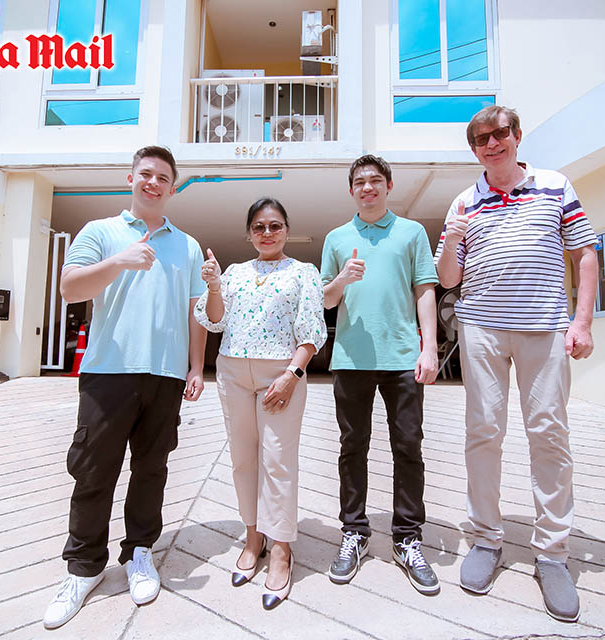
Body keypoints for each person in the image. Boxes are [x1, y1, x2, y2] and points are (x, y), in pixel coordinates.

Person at [434, 105, 598, 622]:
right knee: (483, 432)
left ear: (517, 136)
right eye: (481, 139)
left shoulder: (555, 186)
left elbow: (585, 254)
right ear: (474, 149)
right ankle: (486, 538)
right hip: (482, 328)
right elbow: (448, 279)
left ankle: (552, 553)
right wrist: (453, 237)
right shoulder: (465, 200)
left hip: (544, 327)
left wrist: (582, 321)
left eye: (500, 133)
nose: (492, 143)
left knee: (548, 433)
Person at [43, 146, 207, 629]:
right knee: (93, 471)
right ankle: (84, 567)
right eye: (146, 174)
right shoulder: (100, 232)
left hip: (166, 377)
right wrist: (120, 261)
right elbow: (70, 288)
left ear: (173, 188)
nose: (153, 183)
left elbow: (196, 310)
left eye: (163, 178)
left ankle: (139, 552)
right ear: (130, 178)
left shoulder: (187, 245)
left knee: (151, 470)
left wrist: (196, 367)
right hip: (108, 373)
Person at [194, 197, 327, 610]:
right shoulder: (234, 272)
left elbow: (311, 330)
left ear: (286, 230)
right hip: (233, 371)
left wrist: (292, 375)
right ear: (249, 233)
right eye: (259, 227)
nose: (267, 233)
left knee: (277, 461)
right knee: (243, 460)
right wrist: (214, 286)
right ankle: (254, 537)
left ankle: (282, 548)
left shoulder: (303, 272)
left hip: (280, 374)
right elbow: (214, 320)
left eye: (275, 225)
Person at [320, 154, 441, 595]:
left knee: (408, 446)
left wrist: (430, 348)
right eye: (359, 182)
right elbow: (326, 301)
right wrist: (342, 280)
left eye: (375, 180)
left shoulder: (411, 232)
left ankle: (407, 538)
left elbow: (425, 290)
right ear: (351, 189)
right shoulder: (336, 238)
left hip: (403, 357)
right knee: (352, 447)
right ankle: (354, 531)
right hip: (351, 359)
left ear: (389, 185)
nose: (367, 188)